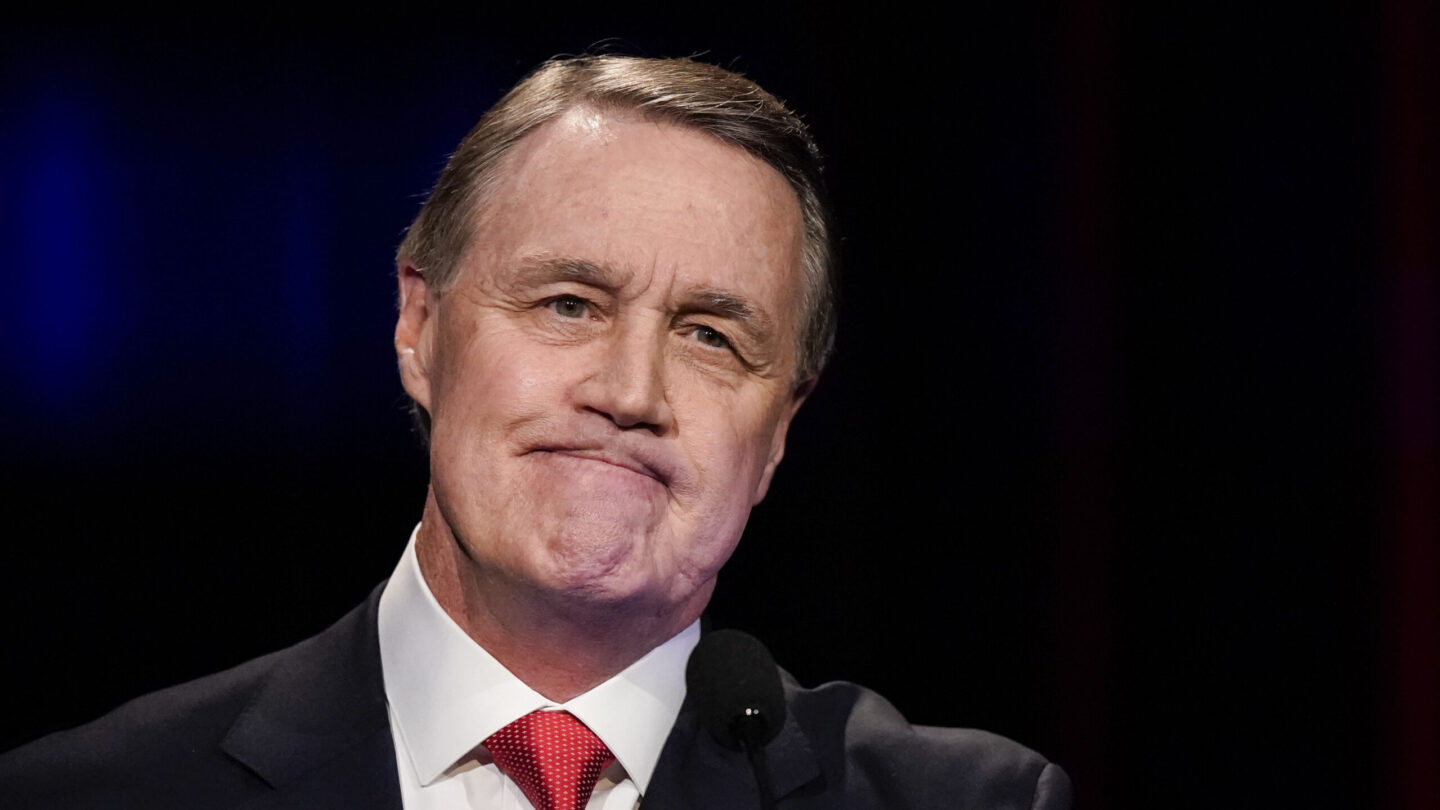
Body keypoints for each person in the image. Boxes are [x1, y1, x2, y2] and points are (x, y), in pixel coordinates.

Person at [0, 55, 1071, 809]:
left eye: (710, 335)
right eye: (569, 304)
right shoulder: (90, 793)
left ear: (780, 429)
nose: (631, 391)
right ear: (420, 329)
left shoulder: (971, 802)